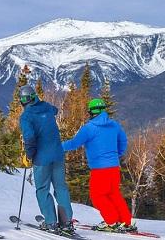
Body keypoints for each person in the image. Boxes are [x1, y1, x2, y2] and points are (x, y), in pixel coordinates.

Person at [62, 98, 136, 232]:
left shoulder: (89, 128)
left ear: (90, 112)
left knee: (97, 196)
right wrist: (115, 156)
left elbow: (74, 143)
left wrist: (58, 146)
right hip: (114, 167)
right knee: (113, 194)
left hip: (99, 169)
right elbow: (123, 142)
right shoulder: (114, 125)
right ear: (103, 110)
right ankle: (125, 222)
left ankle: (111, 221)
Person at [18, 85, 74, 234]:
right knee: (61, 188)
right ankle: (67, 221)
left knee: (42, 189)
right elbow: (55, 110)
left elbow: (29, 138)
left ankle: (51, 222)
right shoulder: (47, 107)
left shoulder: (26, 116)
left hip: (42, 158)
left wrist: (28, 155)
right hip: (58, 154)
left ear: (23, 101)